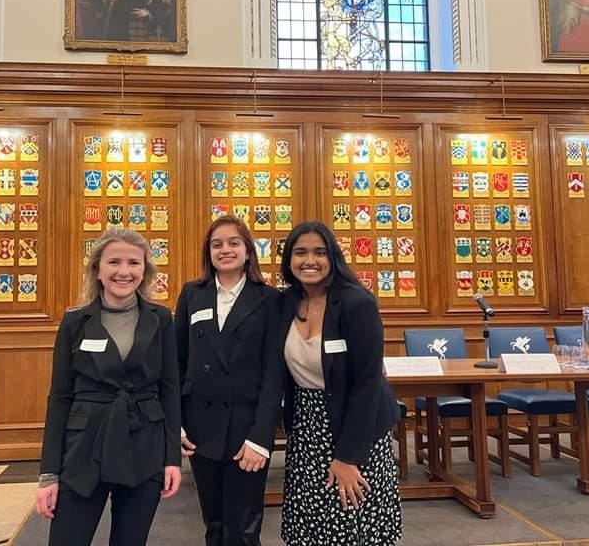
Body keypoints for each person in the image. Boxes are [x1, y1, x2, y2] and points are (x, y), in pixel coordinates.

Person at [36, 228, 181, 546]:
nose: (124, 271)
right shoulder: (74, 322)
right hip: (84, 448)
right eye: (114, 261)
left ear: (145, 271)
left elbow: (170, 390)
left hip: (144, 445)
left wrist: (172, 459)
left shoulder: (161, 319)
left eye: (134, 263)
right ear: (98, 269)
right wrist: (49, 473)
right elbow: (59, 397)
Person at [278, 221, 402, 546]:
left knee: (354, 522)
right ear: (288, 260)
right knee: (309, 523)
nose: (310, 260)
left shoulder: (356, 303)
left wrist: (348, 457)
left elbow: (368, 384)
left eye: (320, 252)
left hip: (355, 428)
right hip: (307, 429)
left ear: (333, 257)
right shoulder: (284, 304)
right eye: (300, 252)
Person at [175, 215, 282, 546]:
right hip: (200, 426)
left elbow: (274, 374)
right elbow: (177, 363)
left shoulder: (269, 299)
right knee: (214, 524)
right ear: (208, 252)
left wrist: (261, 438)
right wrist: (176, 425)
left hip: (246, 429)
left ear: (248, 251)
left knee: (243, 527)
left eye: (234, 243)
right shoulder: (192, 294)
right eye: (217, 244)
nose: (225, 250)